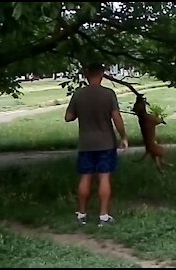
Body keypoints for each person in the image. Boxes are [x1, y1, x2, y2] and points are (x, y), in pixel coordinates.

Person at [64, 63, 129, 227]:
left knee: (85, 177)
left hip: (86, 143)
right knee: (104, 177)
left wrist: (82, 112)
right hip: (106, 143)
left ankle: (82, 214)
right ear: (101, 74)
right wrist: (124, 136)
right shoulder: (108, 94)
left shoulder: (79, 94)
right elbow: (117, 118)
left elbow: (68, 117)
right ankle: (104, 216)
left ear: (86, 74)